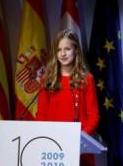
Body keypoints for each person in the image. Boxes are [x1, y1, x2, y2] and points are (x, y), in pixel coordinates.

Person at [36, 29, 100, 166]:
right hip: (52, 146)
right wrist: (47, 138)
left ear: (76, 50)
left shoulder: (86, 79)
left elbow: (93, 116)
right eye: (59, 50)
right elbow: (41, 114)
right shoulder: (47, 79)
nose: (63, 54)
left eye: (67, 49)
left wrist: (79, 140)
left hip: (79, 147)